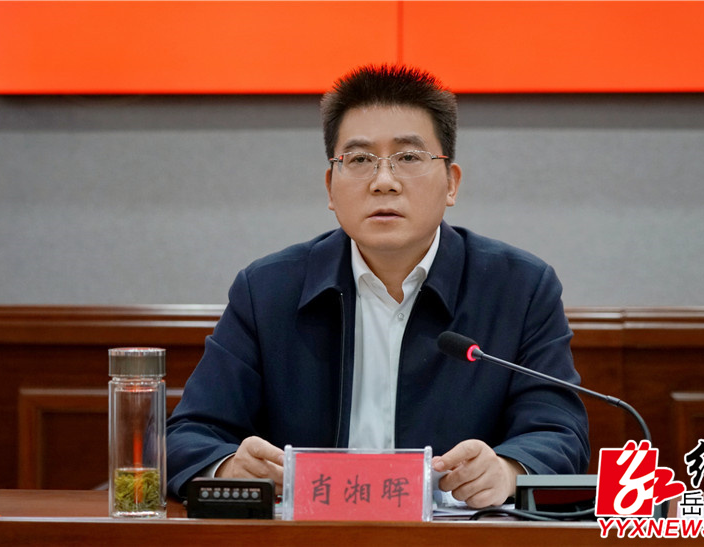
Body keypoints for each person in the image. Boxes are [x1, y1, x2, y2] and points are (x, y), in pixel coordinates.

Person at [166, 64, 589, 509]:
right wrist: (230, 468)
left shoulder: (518, 289)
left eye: (408, 158)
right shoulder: (268, 291)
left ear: (451, 183)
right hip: (310, 539)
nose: (383, 182)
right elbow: (189, 434)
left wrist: (507, 470)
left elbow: (559, 433)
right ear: (331, 188)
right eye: (360, 160)